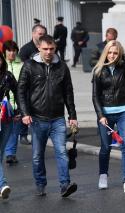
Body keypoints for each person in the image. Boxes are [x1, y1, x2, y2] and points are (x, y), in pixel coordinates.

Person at [17, 35, 78, 197]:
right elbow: (20, 91)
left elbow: (68, 93)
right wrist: (25, 113)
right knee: (37, 155)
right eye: (45, 49)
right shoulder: (30, 66)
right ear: (39, 48)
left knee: (61, 152)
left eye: (51, 49)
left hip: (57, 118)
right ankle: (40, 184)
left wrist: (72, 115)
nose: (48, 52)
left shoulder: (62, 67)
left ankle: (65, 185)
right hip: (37, 118)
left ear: (55, 48)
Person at [92, 40, 125, 193]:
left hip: (124, 111)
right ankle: (103, 176)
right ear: (105, 53)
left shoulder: (123, 67)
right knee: (106, 148)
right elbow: (95, 96)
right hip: (106, 114)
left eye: (115, 53)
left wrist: (124, 54)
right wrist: (100, 115)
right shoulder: (99, 70)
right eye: (110, 52)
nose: (112, 55)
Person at [18, 24, 47, 145]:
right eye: (40, 34)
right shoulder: (25, 50)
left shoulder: (47, 47)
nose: (42, 36)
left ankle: (49, 131)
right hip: (29, 84)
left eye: (44, 34)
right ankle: (23, 134)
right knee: (25, 109)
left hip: (43, 83)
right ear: (33, 34)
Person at [0, 52, 18, 200]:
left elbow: (18, 92)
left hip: (5, 116)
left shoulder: (8, 76)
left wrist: (20, 111)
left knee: (1, 152)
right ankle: (2, 184)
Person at [3, 41, 23, 165]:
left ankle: (10, 153)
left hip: (16, 104)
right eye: (9, 50)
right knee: (4, 130)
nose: (12, 53)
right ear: (4, 52)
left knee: (14, 130)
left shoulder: (21, 65)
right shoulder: (1, 65)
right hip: (3, 104)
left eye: (14, 50)